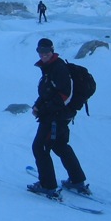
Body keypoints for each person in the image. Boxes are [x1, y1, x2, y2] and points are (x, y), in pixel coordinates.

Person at [27, 38, 88, 197]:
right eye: (40, 51)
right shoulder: (49, 67)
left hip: (55, 117)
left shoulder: (58, 68)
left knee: (40, 147)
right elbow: (49, 92)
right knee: (60, 145)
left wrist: (44, 110)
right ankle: (77, 180)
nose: (43, 54)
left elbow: (65, 95)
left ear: (52, 51)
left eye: (46, 51)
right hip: (58, 115)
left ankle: (47, 186)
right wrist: (38, 105)